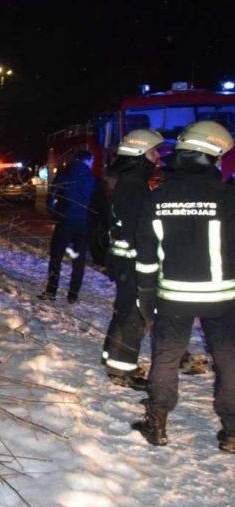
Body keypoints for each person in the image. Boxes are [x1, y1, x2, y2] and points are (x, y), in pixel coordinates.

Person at [132, 120, 235, 452]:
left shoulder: (157, 196)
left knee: (165, 358)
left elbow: (146, 254)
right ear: (211, 156)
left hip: (173, 297)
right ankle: (233, 432)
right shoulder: (228, 196)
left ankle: (157, 423)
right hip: (223, 297)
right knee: (229, 360)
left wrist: (146, 293)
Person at [101, 129, 164, 390]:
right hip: (133, 263)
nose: (157, 157)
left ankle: (112, 358)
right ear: (139, 155)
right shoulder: (134, 186)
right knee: (134, 315)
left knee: (126, 310)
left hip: (125, 262)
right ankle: (122, 371)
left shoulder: (127, 182)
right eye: (152, 152)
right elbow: (138, 230)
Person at [40, 149, 108, 303]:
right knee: (79, 260)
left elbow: (50, 199)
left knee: (56, 257)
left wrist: (57, 215)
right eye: (91, 162)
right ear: (88, 161)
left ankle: (51, 291)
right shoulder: (94, 180)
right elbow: (101, 206)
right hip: (83, 225)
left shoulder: (63, 176)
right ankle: (72, 295)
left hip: (64, 222)